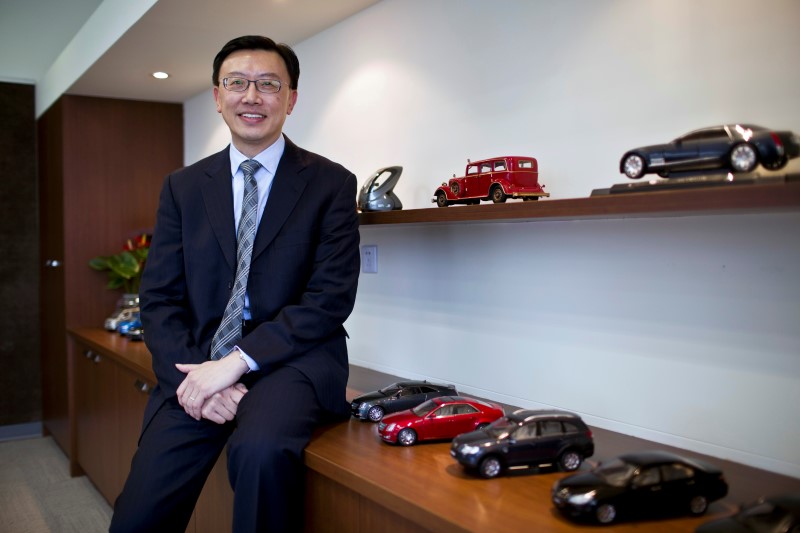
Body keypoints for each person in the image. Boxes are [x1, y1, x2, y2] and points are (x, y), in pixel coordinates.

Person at [109, 35, 360, 532]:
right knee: (139, 511)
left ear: (290, 99)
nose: (252, 96)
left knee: (260, 453)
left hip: (293, 362)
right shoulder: (183, 187)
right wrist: (196, 376)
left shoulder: (331, 183)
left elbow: (329, 299)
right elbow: (160, 298)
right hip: (197, 362)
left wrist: (235, 364)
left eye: (268, 84)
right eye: (237, 83)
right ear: (217, 96)